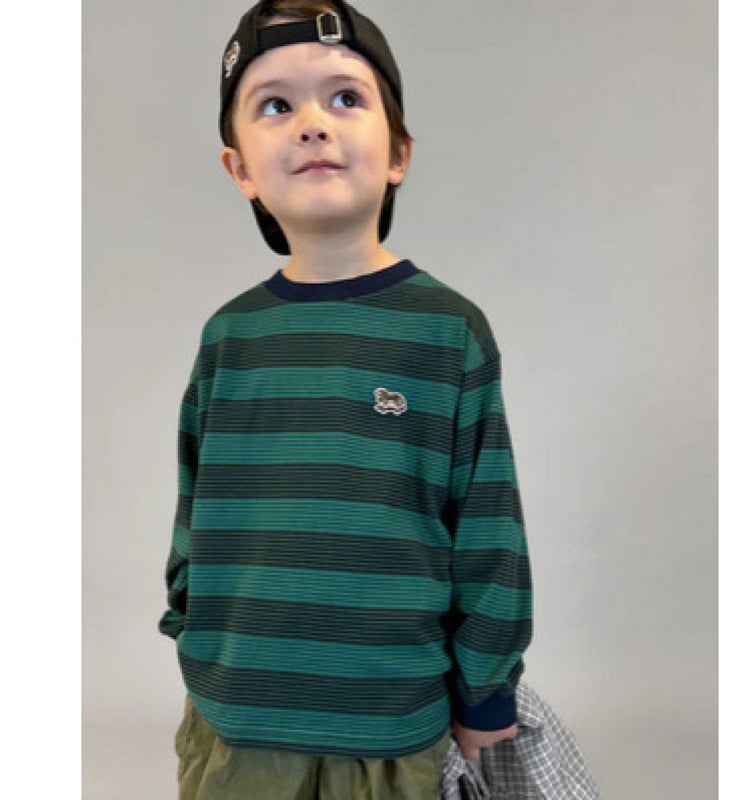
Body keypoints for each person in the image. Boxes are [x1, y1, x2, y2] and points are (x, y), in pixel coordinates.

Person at [158, 2, 533, 797]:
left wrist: (487, 693)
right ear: (240, 169)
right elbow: (195, 507)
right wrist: (191, 628)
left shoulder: (447, 332)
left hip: (388, 729)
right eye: (274, 105)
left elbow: (489, 532)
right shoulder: (229, 336)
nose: (312, 125)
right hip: (237, 722)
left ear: (398, 152)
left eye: (345, 97)